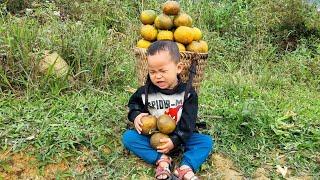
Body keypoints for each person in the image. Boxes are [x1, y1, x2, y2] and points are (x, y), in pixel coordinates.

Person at [122, 40, 213, 180]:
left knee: (205, 142)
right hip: (154, 138)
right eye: (152, 72)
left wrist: (175, 140)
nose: (157, 76)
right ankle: (162, 160)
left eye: (163, 71)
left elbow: (188, 122)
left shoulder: (188, 94)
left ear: (178, 68)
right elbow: (133, 104)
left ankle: (185, 168)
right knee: (128, 137)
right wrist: (136, 116)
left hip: (181, 137)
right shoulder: (145, 92)